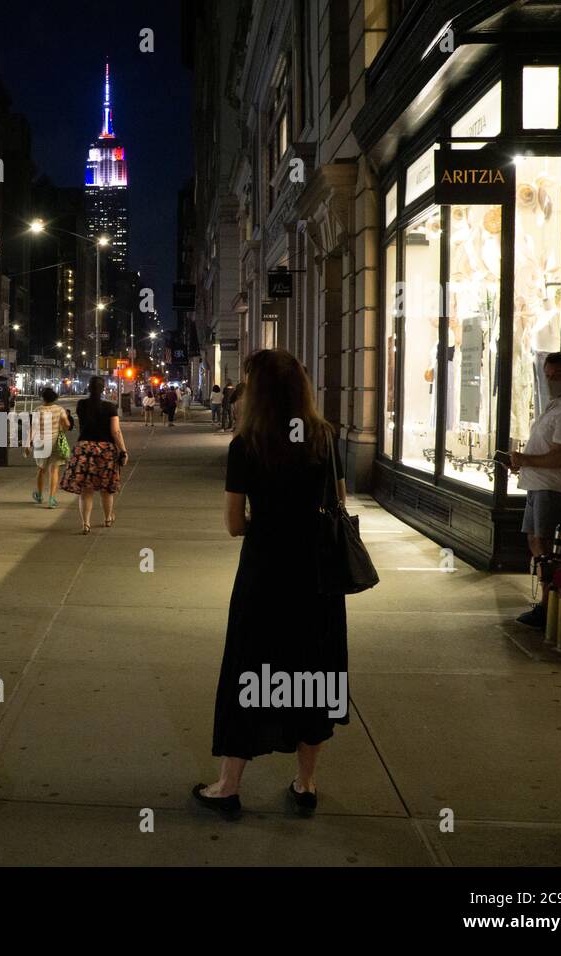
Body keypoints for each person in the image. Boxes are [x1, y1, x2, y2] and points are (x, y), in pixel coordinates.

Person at [194, 349, 350, 820]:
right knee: (314, 670)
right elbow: (339, 500)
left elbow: (233, 524)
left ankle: (228, 786)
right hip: (317, 576)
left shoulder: (248, 444)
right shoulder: (323, 437)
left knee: (250, 669)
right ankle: (306, 785)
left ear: (255, 393)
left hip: (265, 574)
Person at [508, 351, 561, 628]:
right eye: (548, 376)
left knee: (547, 548)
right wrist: (522, 463)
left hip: (553, 488)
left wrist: (526, 460)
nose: (552, 381)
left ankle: (549, 605)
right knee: (536, 542)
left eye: (558, 376)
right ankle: (545, 603)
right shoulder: (554, 406)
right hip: (537, 485)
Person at [60, 375, 128, 533]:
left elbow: (82, 424)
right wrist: (123, 450)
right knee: (106, 489)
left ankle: (86, 524)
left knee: (86, 490)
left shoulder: (82, 405)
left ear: (88, 388)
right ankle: (107, 518)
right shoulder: (110, 407)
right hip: (105, 451)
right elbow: (116, 431)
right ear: (103, 388)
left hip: (84, 449)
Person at [26, 386, 71, 508]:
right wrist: (62, 430)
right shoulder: (59, 409)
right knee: (54, 470)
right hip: (55, 441)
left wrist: (28, 443)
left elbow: (33, 428)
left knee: (41, 470)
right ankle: (52, 499)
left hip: (40, 443)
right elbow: (67, 424)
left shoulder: (37, 410)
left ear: (43, 398)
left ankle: (40, 496)